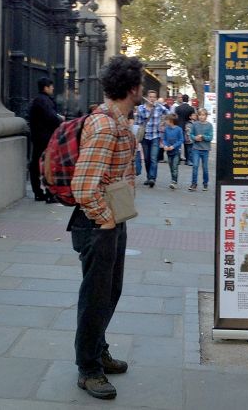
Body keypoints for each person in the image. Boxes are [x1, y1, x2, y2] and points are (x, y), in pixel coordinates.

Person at [68, 54, 143, 400]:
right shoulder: (105, 126)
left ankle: (97, 350)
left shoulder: (119, 121)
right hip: (99, 223)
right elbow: (83, 186)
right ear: (132, 88)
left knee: (110, 292)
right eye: (141, 84)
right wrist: (107, 219)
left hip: (112, 219)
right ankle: (88, 369)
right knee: (96, 297)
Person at [28, 77, 63, 202]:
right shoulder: (43, 100)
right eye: (51, 86)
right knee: (47, 166)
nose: (53, 88)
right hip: (45, 139)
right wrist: (60, 119)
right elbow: (51, 117)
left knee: (36, 165)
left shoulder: (39, 100)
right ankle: (48, 193)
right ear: (46, 87)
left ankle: (39, 192)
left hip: (39, 138)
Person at [135, 90, 169, 187]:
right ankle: (148, 176)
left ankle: (152, 178)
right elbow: (137, 123)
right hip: (145, 137)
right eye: (150, 97)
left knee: (154, 158)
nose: (152, 99)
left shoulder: (159, 107)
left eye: (154, 97)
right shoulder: (141, 109)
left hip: (155, 136)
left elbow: (169, 113)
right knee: (147, 158)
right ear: (147, 97)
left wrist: (163, 123)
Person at [188, 108, 213, 191]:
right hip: (196, 148)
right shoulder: (195, 124)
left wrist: (203, 137)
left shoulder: (209, 125)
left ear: (206, 116)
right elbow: (191, 134)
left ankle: (205, 183)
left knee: (205, 167)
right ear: (198, 116)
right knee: (195, 166)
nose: (202, 117)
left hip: (205, 149)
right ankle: (194, 183)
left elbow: (210, 137)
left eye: (203, 115)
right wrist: (195, 138)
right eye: (200, 115)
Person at [161, 113, 184, 189]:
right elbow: (164, 139)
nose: (165, 122)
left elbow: (181, 140)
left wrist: (173, 146)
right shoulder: (166, 129)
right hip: (169, 151)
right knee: (171, 166)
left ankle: (174, 181)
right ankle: (173, 179)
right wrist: (165, 145)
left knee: (174, 166)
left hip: (176, 151)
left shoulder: (178, 129)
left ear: (171, 121)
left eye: (167, 120)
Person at [175, 94, 195, 162]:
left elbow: (176, 117)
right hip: (188, 127)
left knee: (179, 144)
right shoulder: (191, 108)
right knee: (188, 144)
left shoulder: (177, 108)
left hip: (179, 126)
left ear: (182, 99)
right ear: (188, 99)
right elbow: (192, 118)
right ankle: (188, 159)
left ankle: (177, 159)